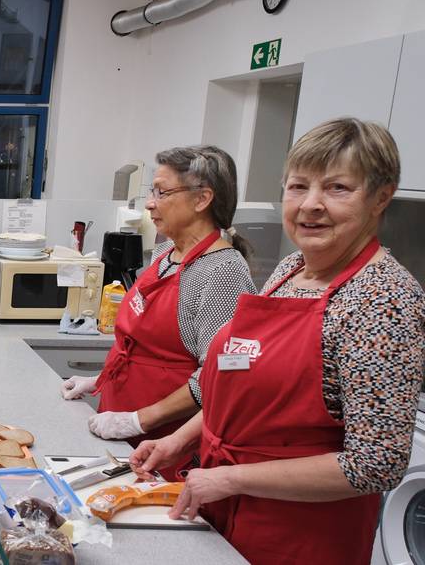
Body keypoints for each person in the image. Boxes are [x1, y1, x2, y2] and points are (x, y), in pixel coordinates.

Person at [132, 119, 425, 565]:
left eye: (338, 188)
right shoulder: (291, 269)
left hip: (299, 536)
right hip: (230, 508)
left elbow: (375, 464)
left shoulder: (382, 301)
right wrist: (182, 440)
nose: (311, 205)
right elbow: (241, 383)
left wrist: (234, 479)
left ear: (380, 198)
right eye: (298, 186)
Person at [61, 146, 255, 477]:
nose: (151, 203)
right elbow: (147, 349)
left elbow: (219, 378)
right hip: (121, 432)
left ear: (201, 199)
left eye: (161, 192)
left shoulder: (222, 272)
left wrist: (138, 420)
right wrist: (101, 381)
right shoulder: (165, 253)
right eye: (153, 192)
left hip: (166, 448)